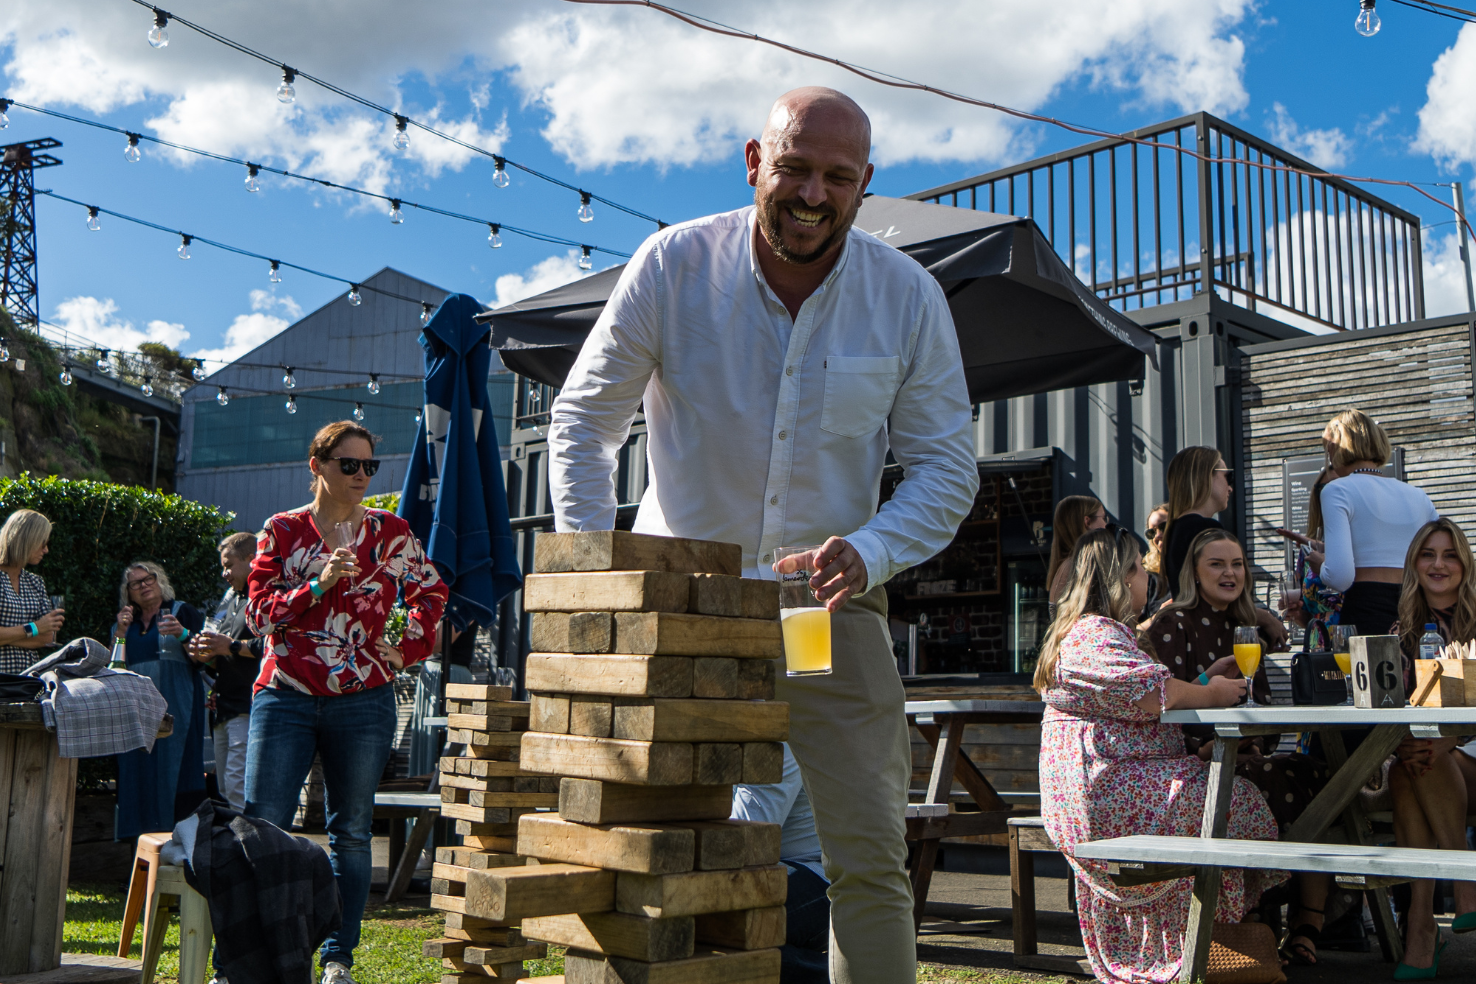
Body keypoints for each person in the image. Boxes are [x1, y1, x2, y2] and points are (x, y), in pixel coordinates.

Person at [547, 87, 979, 984]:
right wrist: (599, 581)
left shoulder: (906, 295)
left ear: (866, 183)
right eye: (794, 168)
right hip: (682, 610)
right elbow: (584, 421)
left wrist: (870, 549)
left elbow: (946, 469)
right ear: (755, 161)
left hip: (826, 610)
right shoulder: (674, 264)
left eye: (837, 177)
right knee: (643, 850)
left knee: (869, 857)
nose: (813, 195)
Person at [245, 420, 447, 984]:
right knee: (264, 827)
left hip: (364, 699)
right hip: (285, 693)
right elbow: (258, 616)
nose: (361, 475)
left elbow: (431, 591)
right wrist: (318, 584)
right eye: (349, 465)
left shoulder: (391, 532)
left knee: (353, 834)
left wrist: (405, 649)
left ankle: (337, 960)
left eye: (369, 466)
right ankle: (248, 960)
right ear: (317, 466)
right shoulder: (282, 531)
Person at [1036, 527, 1283, 983]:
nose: (1147, 576)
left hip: (1109, 788)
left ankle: (1210, 940)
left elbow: (1136, 698)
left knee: (1229, 793)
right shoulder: (1093, 633)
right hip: (1108, 797)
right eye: (1139, 568)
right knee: (1236, 799)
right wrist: (1214, 695)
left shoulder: (1092, 633)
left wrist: (1203, 682)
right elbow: (1153, 693)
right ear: (1119, 579)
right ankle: (1217, 941)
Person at [1148, 527, 1331, 964]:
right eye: (1217, 564)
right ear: (1194, 572)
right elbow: (1164, 708)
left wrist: (1255, 739)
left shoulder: (1245, 628)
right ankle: (1258, 924)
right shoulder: (1173, 624)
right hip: (1192, 763)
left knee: (1316, 775)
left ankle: (1304, 922)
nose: (1229, 573)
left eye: (1237, 564)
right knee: (1268, 782)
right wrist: (1209, 744)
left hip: (1246, 756)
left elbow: (1261, 707)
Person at [1387, 518, 1476, 977]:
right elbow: (1390, 707)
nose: (1439, 564)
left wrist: (1454, 738)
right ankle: (1452, 896)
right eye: (1428, 555)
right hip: (1427, 762)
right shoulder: (1399, 631)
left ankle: (1422, 928)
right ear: (1414, 564)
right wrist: (1412, 743)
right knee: (1411, 767)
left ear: (1465, 563)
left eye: (1449, 554)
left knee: (1425, 759)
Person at [1318, 408, 1437, 636]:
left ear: (1334, 448)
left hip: (1366, 607)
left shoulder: (1337, 490)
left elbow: (1340, 577)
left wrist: (1321, 566)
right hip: (1417, 604)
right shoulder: (1419, 496)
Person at [113, 560, 208, 840]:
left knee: (177, 773)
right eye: (135, 583)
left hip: (178, 707)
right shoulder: (124, 624)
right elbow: (114, 668)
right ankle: (139, 852)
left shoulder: (182, 612)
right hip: (135, 715)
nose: (143, 586)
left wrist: (183, 634)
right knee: (137, 774)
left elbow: (204, 659)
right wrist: (120, 634)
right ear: (128, 593)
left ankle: (179, 851)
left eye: (148, 579)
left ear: (160, 580)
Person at [732, 744, 829, 983]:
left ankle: (848, 976)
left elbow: (743, 843)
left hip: (822, 878)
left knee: (728, 930)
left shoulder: (780, 745)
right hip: (765, 869)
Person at [185, 532, 263, 811]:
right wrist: (206, 657)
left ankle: (249, 837)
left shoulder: (264, 598)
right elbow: (224, 653)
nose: (224, 573)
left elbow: (273, 647)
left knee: (238, 786)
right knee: (225, 788)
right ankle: (237, 835)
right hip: (223, 707)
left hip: (249, 706)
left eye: (229, 565)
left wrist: (229, 646)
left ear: (251, 560)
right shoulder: (231, 599)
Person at [1277, 466, 1343, 628]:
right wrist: (1296, 613)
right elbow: (1308, 616)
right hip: (1318, 641)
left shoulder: (1364, 544)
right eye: (1324, 489)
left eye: (1340, 486)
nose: (1331, 494)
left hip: (1354, 639)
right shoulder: (1307, 550)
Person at [1162, 446, 1232, 597]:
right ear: (1206, 477)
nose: (1230, 487)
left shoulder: (1176, 529)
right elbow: (1224, 597)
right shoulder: (1206, 529)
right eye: (1227, 477)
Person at [0, 508, 63, 675]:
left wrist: (5, 637)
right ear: (27, 540)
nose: (46, 550)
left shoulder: (35, 582)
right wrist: (35, 627)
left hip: (28, 680)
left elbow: (48, 637)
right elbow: (41, 629)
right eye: (43, 543)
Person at [1046, 496, 1106, 603]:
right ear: (1087, 522)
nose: (1106, 525)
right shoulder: (1077, 567)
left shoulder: (1067, 565)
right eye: (1103, 518)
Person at [1139, 502, 1170, 624]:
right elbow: (1134, 629)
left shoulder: (1199, 569)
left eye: (1163, 527)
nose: (1157, 535)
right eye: (1152, 532)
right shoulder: (1147, 577)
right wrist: (1160, 615)